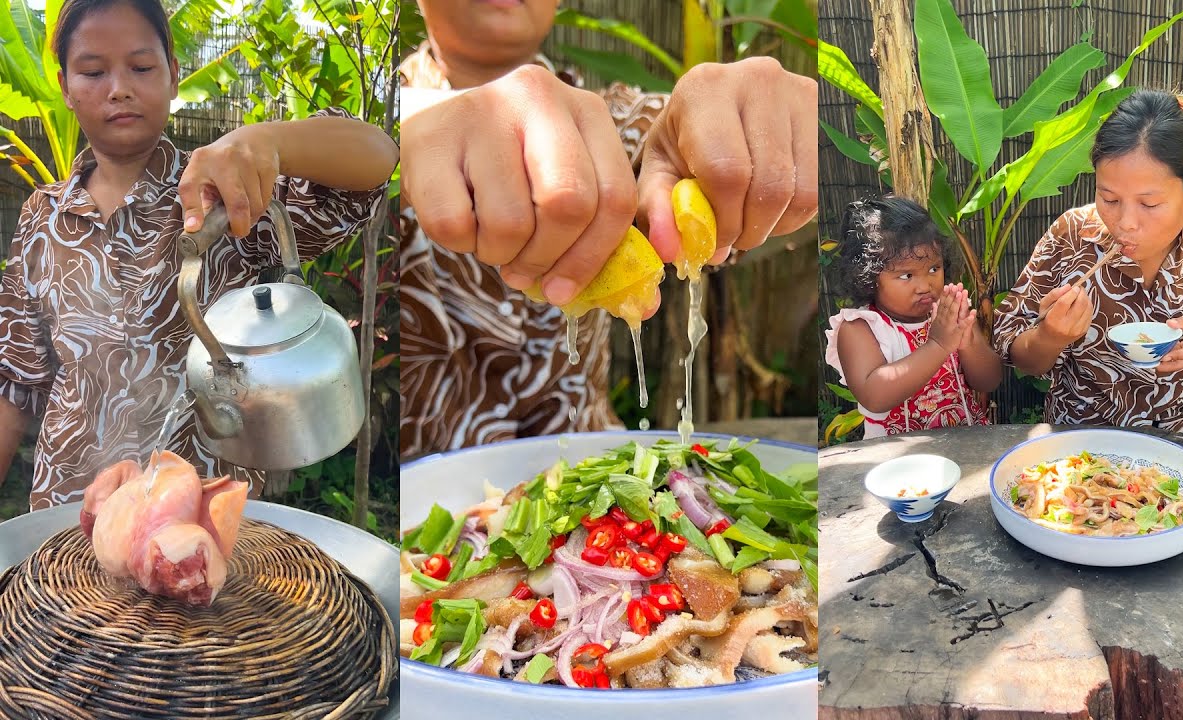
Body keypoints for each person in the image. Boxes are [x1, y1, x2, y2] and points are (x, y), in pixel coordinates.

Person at [0, 0, 399, 509]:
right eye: (93, 71)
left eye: (142, 67)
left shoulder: (224, 196)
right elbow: (18, 378)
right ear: (65, 87)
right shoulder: (42, 216)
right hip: (70, 513)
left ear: (173, 75)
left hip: (204, 516)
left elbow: (377, 159)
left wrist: (266, 140)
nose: (118, 87)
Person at [399, 0, 817, 457]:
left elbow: (690, 153)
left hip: (597, 469)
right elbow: (313, 209)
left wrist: (764, 122)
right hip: (419, 485)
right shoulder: (382, 117)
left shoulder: (623, 120)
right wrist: (401, 133)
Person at [994, 89, 1183, 431]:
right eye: (1109, 198)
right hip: (1082, 433)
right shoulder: (1072, 237)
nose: (1125, 222)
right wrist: (1049, 337)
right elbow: (1019, 354)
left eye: (1149, 204)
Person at [825, 197, 1001, 438]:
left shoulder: (946, 314)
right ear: (869, 277)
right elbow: (874, 396)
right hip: (897, 463)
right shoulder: (860, 328)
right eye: (907, 275)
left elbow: (989, 381)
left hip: (965, 449)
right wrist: (938, 345)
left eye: (933, 269)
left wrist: (968, 341)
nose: (925, 285)